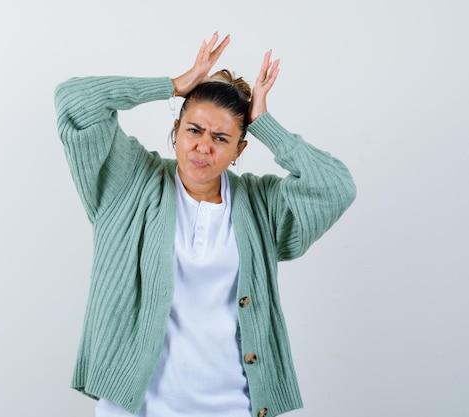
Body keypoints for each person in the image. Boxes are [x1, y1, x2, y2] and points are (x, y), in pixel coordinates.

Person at [54, 32, 356, 417]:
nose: (203, 146)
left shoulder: (261, 206)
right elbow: (74, 101)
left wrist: (264, 123)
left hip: (232, 405)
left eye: (221, 137)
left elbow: (337, 187)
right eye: (194, 130)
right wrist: (172, 85)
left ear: (239, 149)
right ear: (177, 130)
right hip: (135, 408)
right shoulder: (128, 183)